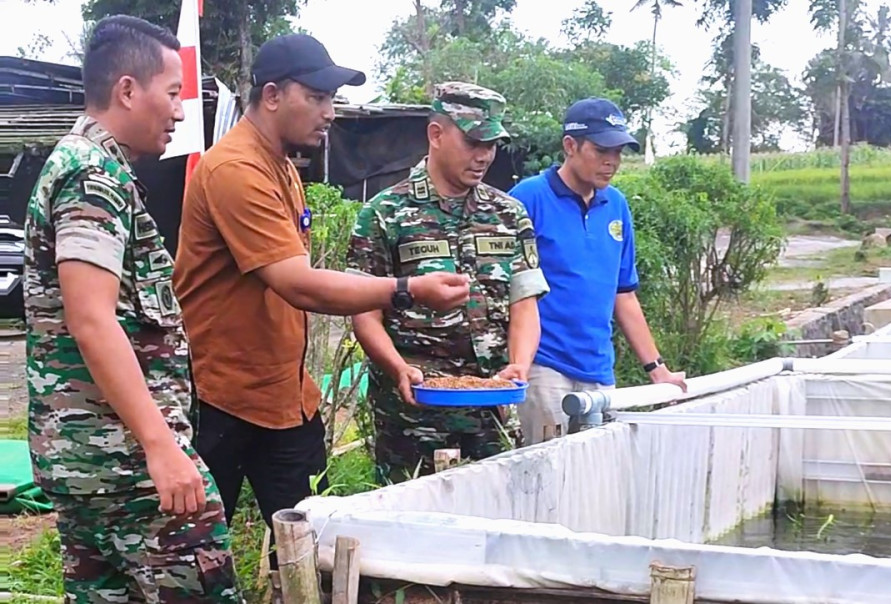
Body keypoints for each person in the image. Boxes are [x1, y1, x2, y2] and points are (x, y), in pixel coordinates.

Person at [172, 34, 469, 567]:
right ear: (271, 95)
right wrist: (406, 289)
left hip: (284, 399)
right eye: (316, 97)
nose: (330, 113)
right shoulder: (235, 170)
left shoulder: (282, 162)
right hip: (223, 398)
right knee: (195, 561)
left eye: (332, 99)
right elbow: (298, 283)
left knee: (316, 550)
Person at [23, 15, 241, 602]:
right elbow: (90, 318)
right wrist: (160, 446)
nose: (178, 111)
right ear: (127, 90)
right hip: (130, 469)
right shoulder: (93, 176)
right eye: (173, 93)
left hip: (93, 462)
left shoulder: (88, 166)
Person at [346, 82, 550, 484]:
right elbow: (363, 313)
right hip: (412, 414)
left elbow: (524, 304)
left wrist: (519, 366)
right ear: (436, 134)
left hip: (489, 411)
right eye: (474, 142)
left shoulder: (509, 215)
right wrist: (398, 367)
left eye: (491, 145)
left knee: (492, 525)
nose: (484, 156)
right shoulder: (385, 214)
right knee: (411, 529)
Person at [508, 97, 687, 446]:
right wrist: (518, 364)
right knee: (547, 478)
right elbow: (503, 288)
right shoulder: (528, 199)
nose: (612, 162)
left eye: (619, 152)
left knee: (592, 479)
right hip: (544, 368)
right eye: (602, 149)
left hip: (599, 370)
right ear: (570, 146)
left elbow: (624, 293)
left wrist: (657, 368)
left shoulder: (615, 204)